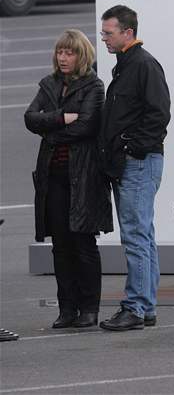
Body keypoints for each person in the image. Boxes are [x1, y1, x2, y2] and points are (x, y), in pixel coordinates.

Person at [24, 30, 112, 329]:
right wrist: (62, 118)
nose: (63, 58)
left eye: (69, 52)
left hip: (83, 177)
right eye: (60, 52)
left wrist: (49, 127)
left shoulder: (94, 86)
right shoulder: (48, 84)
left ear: (81, 55)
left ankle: (90, 309)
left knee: (83, 243)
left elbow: (86, 127)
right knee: (60, 246)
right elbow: (29, 118)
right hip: (53, 177)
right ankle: (67, 309)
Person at [97, 5, 171, 332]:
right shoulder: (128, 65)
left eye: (108, 33)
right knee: (143, 234)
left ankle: (136, 307)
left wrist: (131, 148)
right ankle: (146, 305)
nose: (104, 39)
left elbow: (159, 115)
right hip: (134, 161)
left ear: (128, 32)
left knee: (136, 235)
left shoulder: (142, 65)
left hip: (138, 163)